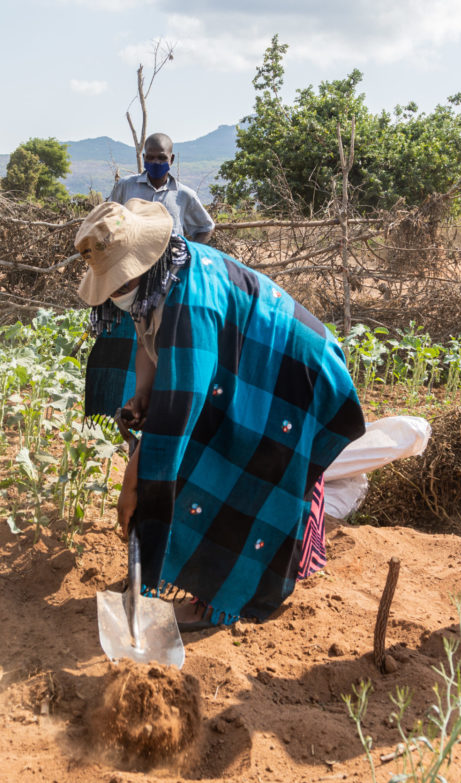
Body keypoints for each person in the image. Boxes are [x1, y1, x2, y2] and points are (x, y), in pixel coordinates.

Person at [76, 198, 364, 629]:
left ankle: (218, 598)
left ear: (143, 260)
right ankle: (195, 575)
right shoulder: (159, 277)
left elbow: (179, 416)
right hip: (248, 360)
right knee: (197, 458)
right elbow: (146, 333)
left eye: (120, 284)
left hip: (293, 372)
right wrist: (142, 392)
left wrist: (132, 484)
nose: (117, 294)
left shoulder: (191, 300)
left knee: (239, 460)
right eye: (111, 288)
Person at [109, 132, 215, 244]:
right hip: (130, 258)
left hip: (169, 260)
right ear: (144, 158)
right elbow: (111, 220)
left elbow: (206, 228)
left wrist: (189, 253)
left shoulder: (184, 195)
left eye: (161, 157)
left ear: (171, 159)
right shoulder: (125, 186)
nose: (155, 162)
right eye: (150, 157)